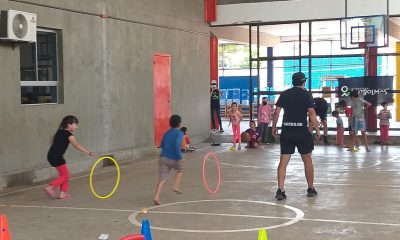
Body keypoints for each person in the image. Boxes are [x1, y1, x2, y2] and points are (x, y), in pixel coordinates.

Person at [272, 72, 320, 200]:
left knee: (283, 162)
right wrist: (318, 130)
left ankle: (280, 190)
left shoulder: (285, 93)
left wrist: (274, 127)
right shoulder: (307, 94)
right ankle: (310, 188)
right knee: (307, 160)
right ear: (303, 81)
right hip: (301, 132)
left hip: (287, 131)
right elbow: (312, 113)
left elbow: (276, 112)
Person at [43, 115, 94, 199]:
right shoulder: (69, 135)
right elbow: (76, 145)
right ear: (69, 125)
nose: (76, 127)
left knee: (64, 174)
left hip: (51, 155)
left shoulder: (59, 131)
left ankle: (63, 193)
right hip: (57, 156)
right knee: (66, 175)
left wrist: (56, 146)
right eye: (75, 124)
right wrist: (88, 152)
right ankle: (50, 187)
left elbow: (52, 139)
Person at [153, 115, 184, 205]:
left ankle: (156, 196)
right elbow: (177, 144)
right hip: (174, 158)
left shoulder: (166, 133)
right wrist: (180, 157)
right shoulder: (179, 133)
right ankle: (176, 186)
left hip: (163, 157)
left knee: (162, 177)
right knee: (180, 170)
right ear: (179, 124)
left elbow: (161, 145)